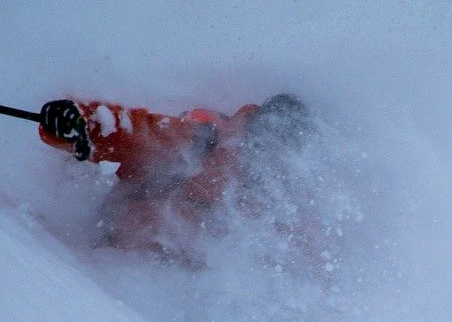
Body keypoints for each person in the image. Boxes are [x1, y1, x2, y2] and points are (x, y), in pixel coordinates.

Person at [39, 93, 316, 263]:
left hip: (176, 297)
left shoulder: (277, 202)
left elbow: (301, 258)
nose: (266, 160)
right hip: (111, 256)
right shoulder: (202, 142)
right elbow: (134, 132)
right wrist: (83, 122)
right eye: (263, 145)